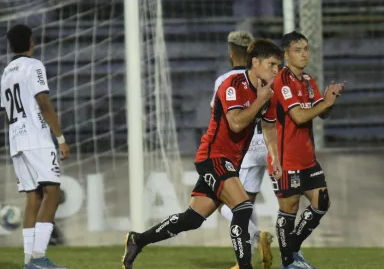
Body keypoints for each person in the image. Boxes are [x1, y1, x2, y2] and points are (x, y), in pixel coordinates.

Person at [123, 39, 283, 269]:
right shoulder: (232, 84)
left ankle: (137, 240)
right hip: (213, 156)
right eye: (272, 64)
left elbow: (268, 127)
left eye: (278, 66)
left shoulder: (268, 93)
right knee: (242, 207)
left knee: (192, 219)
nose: (276, 70)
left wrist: (274, 157)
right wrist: (260, 100)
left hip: (231, 161)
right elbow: (236, 123)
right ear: (255, 62)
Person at [267, 31, 344, 269]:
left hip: (308, 158)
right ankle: (288, 262)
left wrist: (330, 100)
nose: (304, 54)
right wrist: (325, 104)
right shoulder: (282, 80)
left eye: (306, 49)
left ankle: (291, 252)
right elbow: (299, 117)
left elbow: (321, 112)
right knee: (289, 209)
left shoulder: (309, 81)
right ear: (286, 55)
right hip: (286, 159)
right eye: (298, 50)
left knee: (322, 202)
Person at [1, 24, 70, 269]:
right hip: (36, 139)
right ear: (31, 43)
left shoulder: (7, 72)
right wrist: (60, 138)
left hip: (16, 139)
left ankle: (29, 261)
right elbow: (43, 101)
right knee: (53, 194)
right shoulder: (34, 66)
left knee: (34, 196)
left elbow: (6, 112)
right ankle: (38, 258)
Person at [211, 30, 274, 269]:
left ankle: (257, 240)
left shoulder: (224, 81)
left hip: (243, 149)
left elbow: (221, 119)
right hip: (265, 146)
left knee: (224, 204)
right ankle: (250, 257)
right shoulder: (261, 77)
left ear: (230, 52)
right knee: (246, 205)